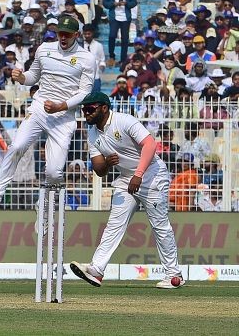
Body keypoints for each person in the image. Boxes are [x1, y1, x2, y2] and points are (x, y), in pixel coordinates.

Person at [0, 15, 96, 215]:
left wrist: (61, 106)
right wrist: (22, 77)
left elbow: (85, 93)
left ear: (77, 34)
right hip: (40, 107)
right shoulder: (44, 49)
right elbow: (34, 76)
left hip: (64, 115)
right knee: (16, 146)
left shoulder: (87, 58)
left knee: (54, 172)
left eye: (67, 34)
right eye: (60, 34)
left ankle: (43, 203)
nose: (63, 38)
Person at [69, 92, 184, 289]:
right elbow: (98, 170)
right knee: (114, 224)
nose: (86, 113)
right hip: (125, 179)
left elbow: (150, 144)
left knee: (159, 226)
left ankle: (174, 275)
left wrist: (138, 175)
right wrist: (106, 163)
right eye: (84, 109)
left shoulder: (124, 121)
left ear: (104, 108)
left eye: (90, 109)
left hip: (151, 175)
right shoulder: (92, 133)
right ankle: (97, 270)